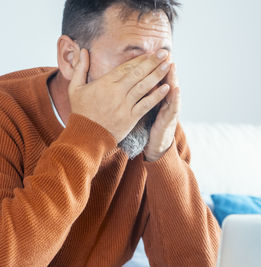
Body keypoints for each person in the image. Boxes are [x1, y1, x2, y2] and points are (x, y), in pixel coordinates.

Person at [0, 0, 220, 266]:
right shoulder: (7, 114)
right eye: (133, 58)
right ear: (71, 57)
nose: (152, 80)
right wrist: (88, 135)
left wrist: (162, 156)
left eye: (161, 58)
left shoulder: (157, 127)